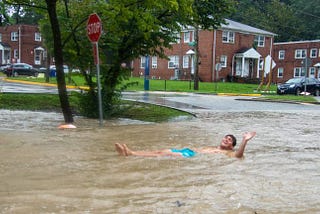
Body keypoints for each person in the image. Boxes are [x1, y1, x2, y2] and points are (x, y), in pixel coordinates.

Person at [115, 131, 256, 158]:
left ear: (231, 146)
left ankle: (131, 153)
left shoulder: (228, 152)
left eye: (229, 140)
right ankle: (131, 152)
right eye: (225, 137)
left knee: (165, 153)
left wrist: (244, 141)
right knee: (160, 151)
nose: (226, 139)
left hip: (190, 156)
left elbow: (238, 156)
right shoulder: (214, 148)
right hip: (187, 151)